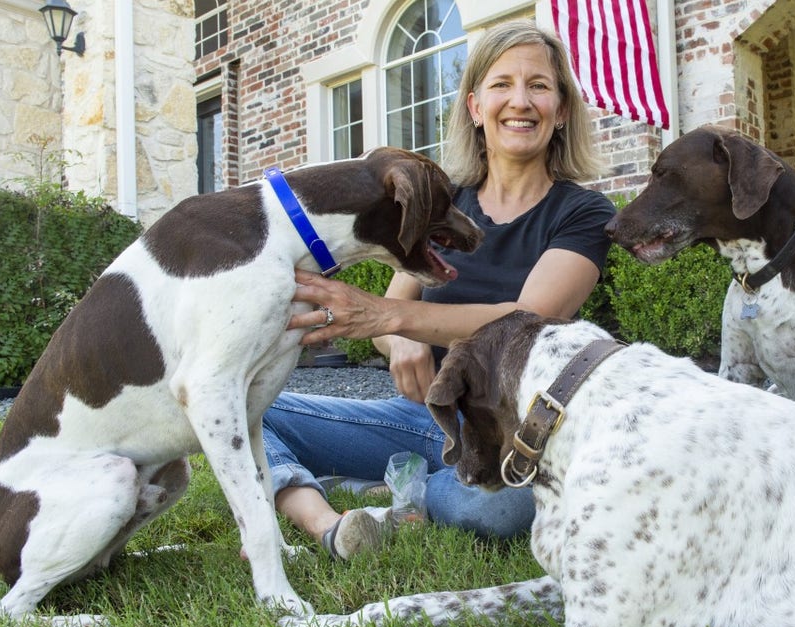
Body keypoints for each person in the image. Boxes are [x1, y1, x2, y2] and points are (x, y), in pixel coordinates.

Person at [262, 19, 615, 560]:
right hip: (423, 419)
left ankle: (391, 494)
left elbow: (528, 318)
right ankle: (326, 522)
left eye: (539, 86)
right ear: (475, 107)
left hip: (510, 430)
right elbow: (394, 314)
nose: (519, 101)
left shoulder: (584, 213)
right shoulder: (444, 201)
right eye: (501, 85)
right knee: (254, 407)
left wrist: (391, 319)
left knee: (492, 510)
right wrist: (398, 338)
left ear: (562, 109)